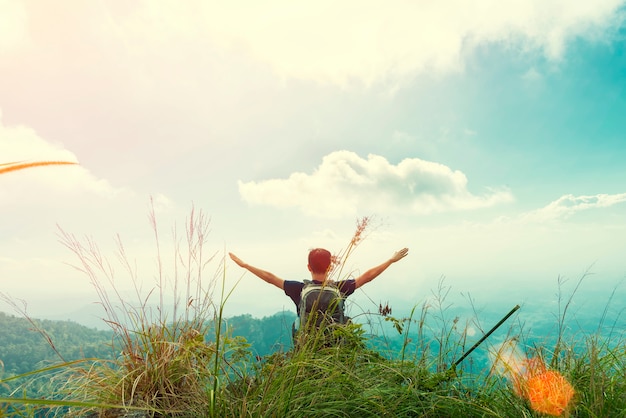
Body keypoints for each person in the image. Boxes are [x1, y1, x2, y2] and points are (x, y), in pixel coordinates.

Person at [228, 247, 409, 322]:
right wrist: (390, 261)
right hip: (335, 349)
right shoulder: (340, 288)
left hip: (307, 349)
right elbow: (368, 276)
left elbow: (269, 277)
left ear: (308, 267)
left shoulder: (297, 289)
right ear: (330, 267)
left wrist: (245, 265)